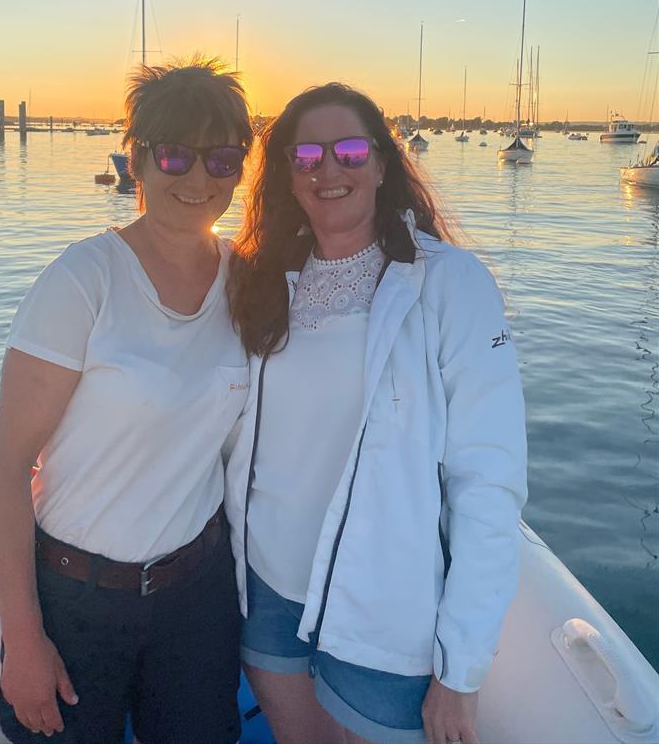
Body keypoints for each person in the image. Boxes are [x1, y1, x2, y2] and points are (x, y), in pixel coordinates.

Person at [226, 83, 527, 744]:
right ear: (287, 173)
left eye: (350, 150)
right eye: (306, 155)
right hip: (269, 589)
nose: (328, 169)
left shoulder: (451, 284)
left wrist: (461, 669)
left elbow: (489, 481)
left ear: (384, 164)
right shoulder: (262, 280)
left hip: (384, 607)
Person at [0, 58, 253, 744]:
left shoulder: (245, 283)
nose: (199, 179)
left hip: (198, 597)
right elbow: (7, 466)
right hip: (76, 601)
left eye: (223, 159)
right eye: (175, 155)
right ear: (136, 160)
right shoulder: (83, 281)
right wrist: (22, 635)